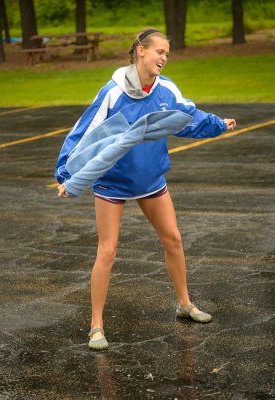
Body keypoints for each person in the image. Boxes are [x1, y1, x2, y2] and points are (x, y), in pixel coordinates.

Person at [55, 28, 236, 351]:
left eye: (167, 53)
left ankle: (184, 303)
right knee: (107, 251)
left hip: (151, 179)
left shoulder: (166, 89)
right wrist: (66, 172)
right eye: (159, 51)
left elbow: (188, 117)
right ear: (140, 50)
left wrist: (217, 124)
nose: (164, 57)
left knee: (174, 239)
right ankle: (96, 325)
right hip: (113, 182)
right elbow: (85, 133)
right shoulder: (112, 92)